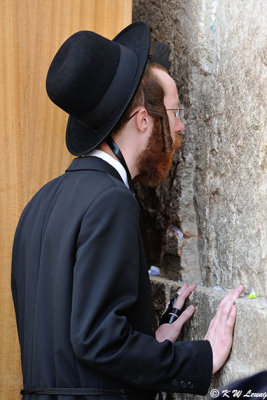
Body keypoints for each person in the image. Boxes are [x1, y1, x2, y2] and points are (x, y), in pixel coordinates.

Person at [11, 22, 244, 400]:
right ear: (143, 120)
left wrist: (155, 343)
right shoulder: (110, 201)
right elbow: (97, 340)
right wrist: (200, 357)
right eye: (175, 111)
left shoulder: (36, 206)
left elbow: (71, 348)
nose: (181, 125)